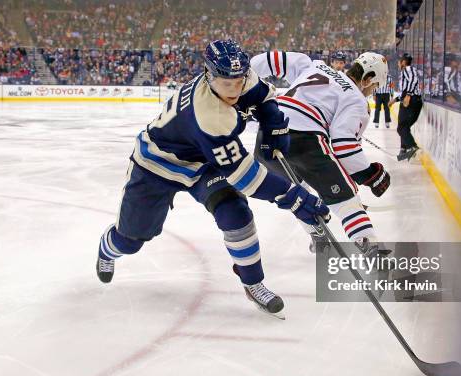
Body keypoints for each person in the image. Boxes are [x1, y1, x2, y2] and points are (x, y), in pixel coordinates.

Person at [95, 40, 329, 318]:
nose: (234, 89)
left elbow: (264, 97)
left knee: (235, 212)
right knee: (130, 241)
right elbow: (246, 177)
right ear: (208, 74)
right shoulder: (209, 115)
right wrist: (293, 196)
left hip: (203, 162)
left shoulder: (240, 76)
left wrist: (274, 126)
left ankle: (253, 283)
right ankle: (107, 249)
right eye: (225, 83)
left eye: (238, 81)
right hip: (156, 167)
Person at [251, 50, 391, 254]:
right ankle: (369, 245)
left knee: (294, 194)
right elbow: (344, 145)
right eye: (375, 86)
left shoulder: (315, 65)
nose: (372, 92)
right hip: (304, 141)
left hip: (267, 135)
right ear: (368, 79)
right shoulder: (356, 99)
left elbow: (267, 60)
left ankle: (315, 232)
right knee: (345, 198)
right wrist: (368, 175)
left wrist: (244, 84)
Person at [389, 53, 422, 161]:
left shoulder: (408, 69)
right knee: (404, 127)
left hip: (411, 100)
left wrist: (408, 95)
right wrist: (395, 100)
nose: (398, 64)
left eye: (399, 61)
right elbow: (405, 90)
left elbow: (413, 81)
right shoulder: (407, 71)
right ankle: (404, 149)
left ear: (403, 62)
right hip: (412, 99)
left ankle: (412, 147)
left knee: (401, 127)